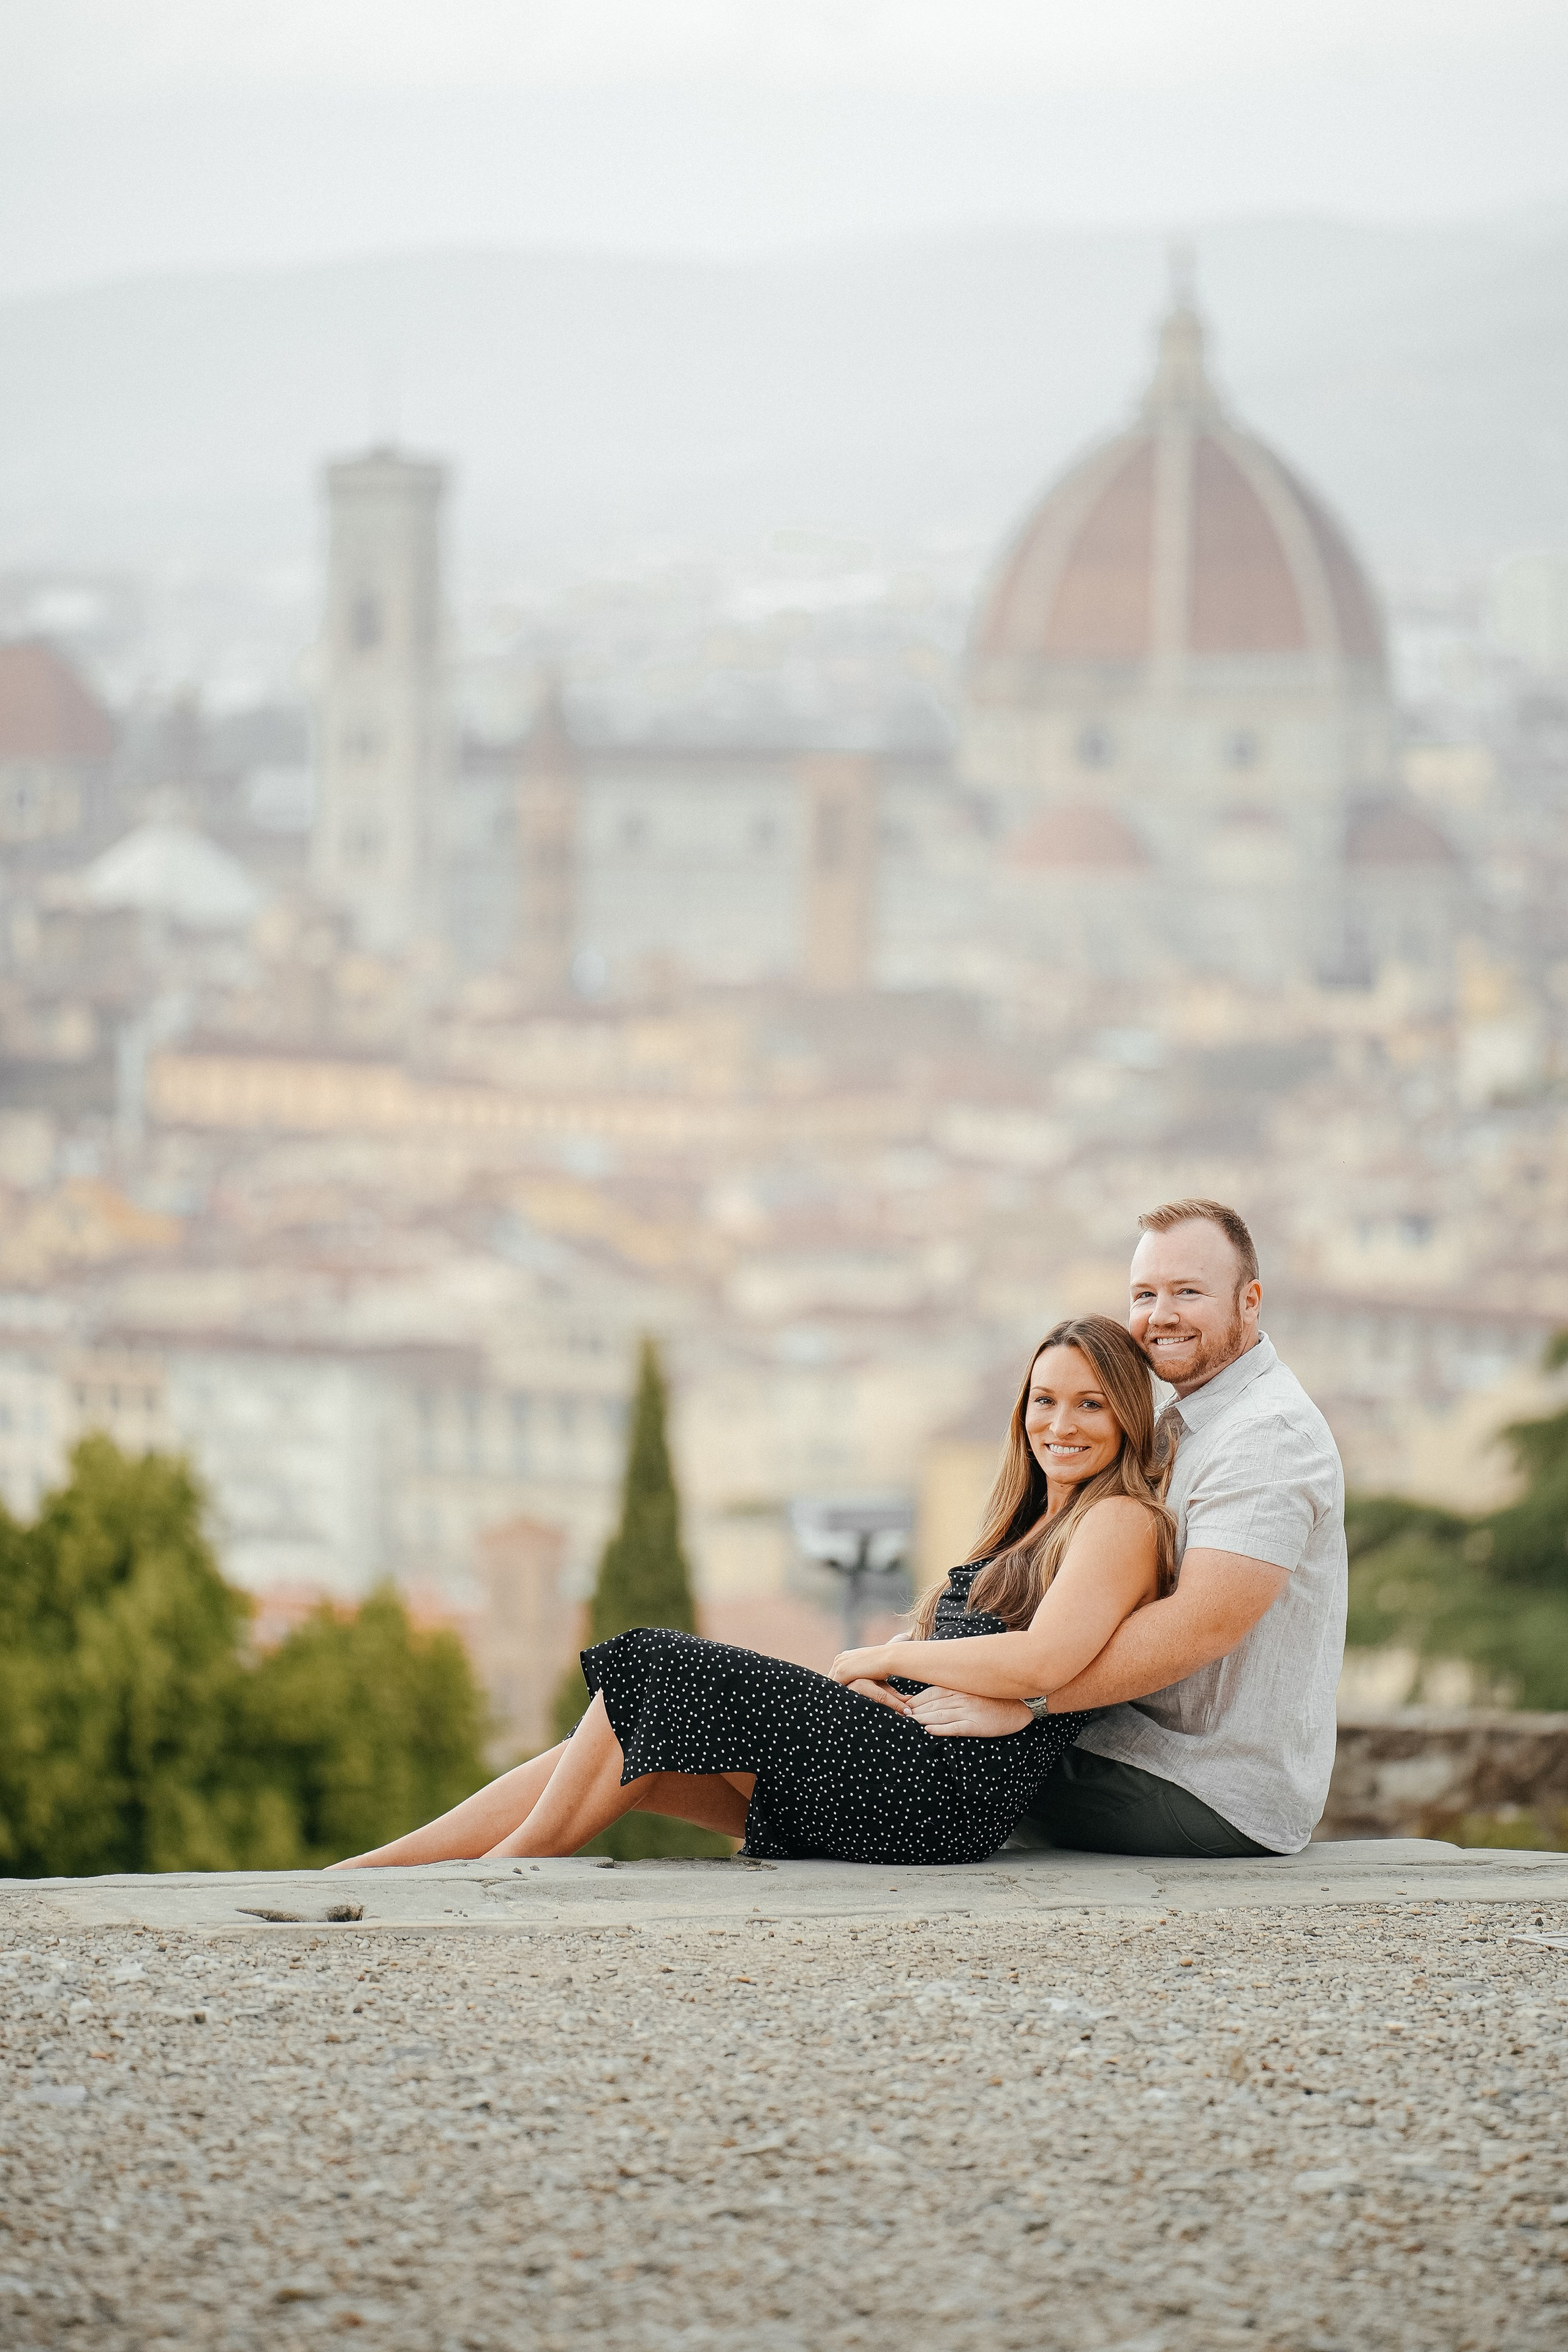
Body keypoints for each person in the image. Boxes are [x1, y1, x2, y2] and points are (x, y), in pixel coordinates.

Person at [333, 1315, 1172, 1870]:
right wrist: (907, 1685)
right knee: (629, 1751)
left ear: (1128, 1416)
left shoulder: (1120, 1521)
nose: (1061, 1424)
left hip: (937, 1794)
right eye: (1046, 1400)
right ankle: (369, 1874)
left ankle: (493, 1881)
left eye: (1091, 1405)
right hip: (910, 1761)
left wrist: (884, 1655)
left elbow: (1051, 1655)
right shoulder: (1033, 1521)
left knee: (656, 1667)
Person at [857, 1198, 1346, 1860]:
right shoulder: (1183, 1420)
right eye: (1144, 1294)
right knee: (868, 1737)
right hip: (1126, 1752)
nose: (1160, 1315)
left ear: (1249, 1300)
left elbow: (1202, 1625)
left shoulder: (1265, 1437)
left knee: (880, 1751)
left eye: (1188, 1292)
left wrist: (1027, 1701)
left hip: (1201, 1788)